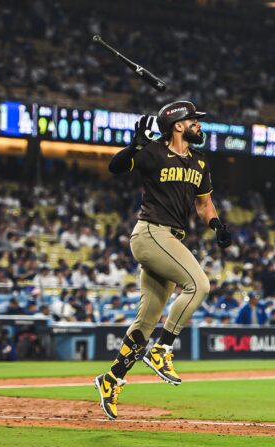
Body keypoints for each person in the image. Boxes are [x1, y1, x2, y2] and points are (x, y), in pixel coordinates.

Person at [94, 101, 232, 420]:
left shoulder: (199, 161)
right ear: (178, 125)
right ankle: (162, 349)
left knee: (146, 319)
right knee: (199, 285)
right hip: (151, 233)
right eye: (194, 120)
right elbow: (115, 168)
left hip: (170, 240)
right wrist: (132, 147)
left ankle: (111, 378)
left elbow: (204, 204)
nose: (199, 124)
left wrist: (217, 225)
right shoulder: (153, 151)